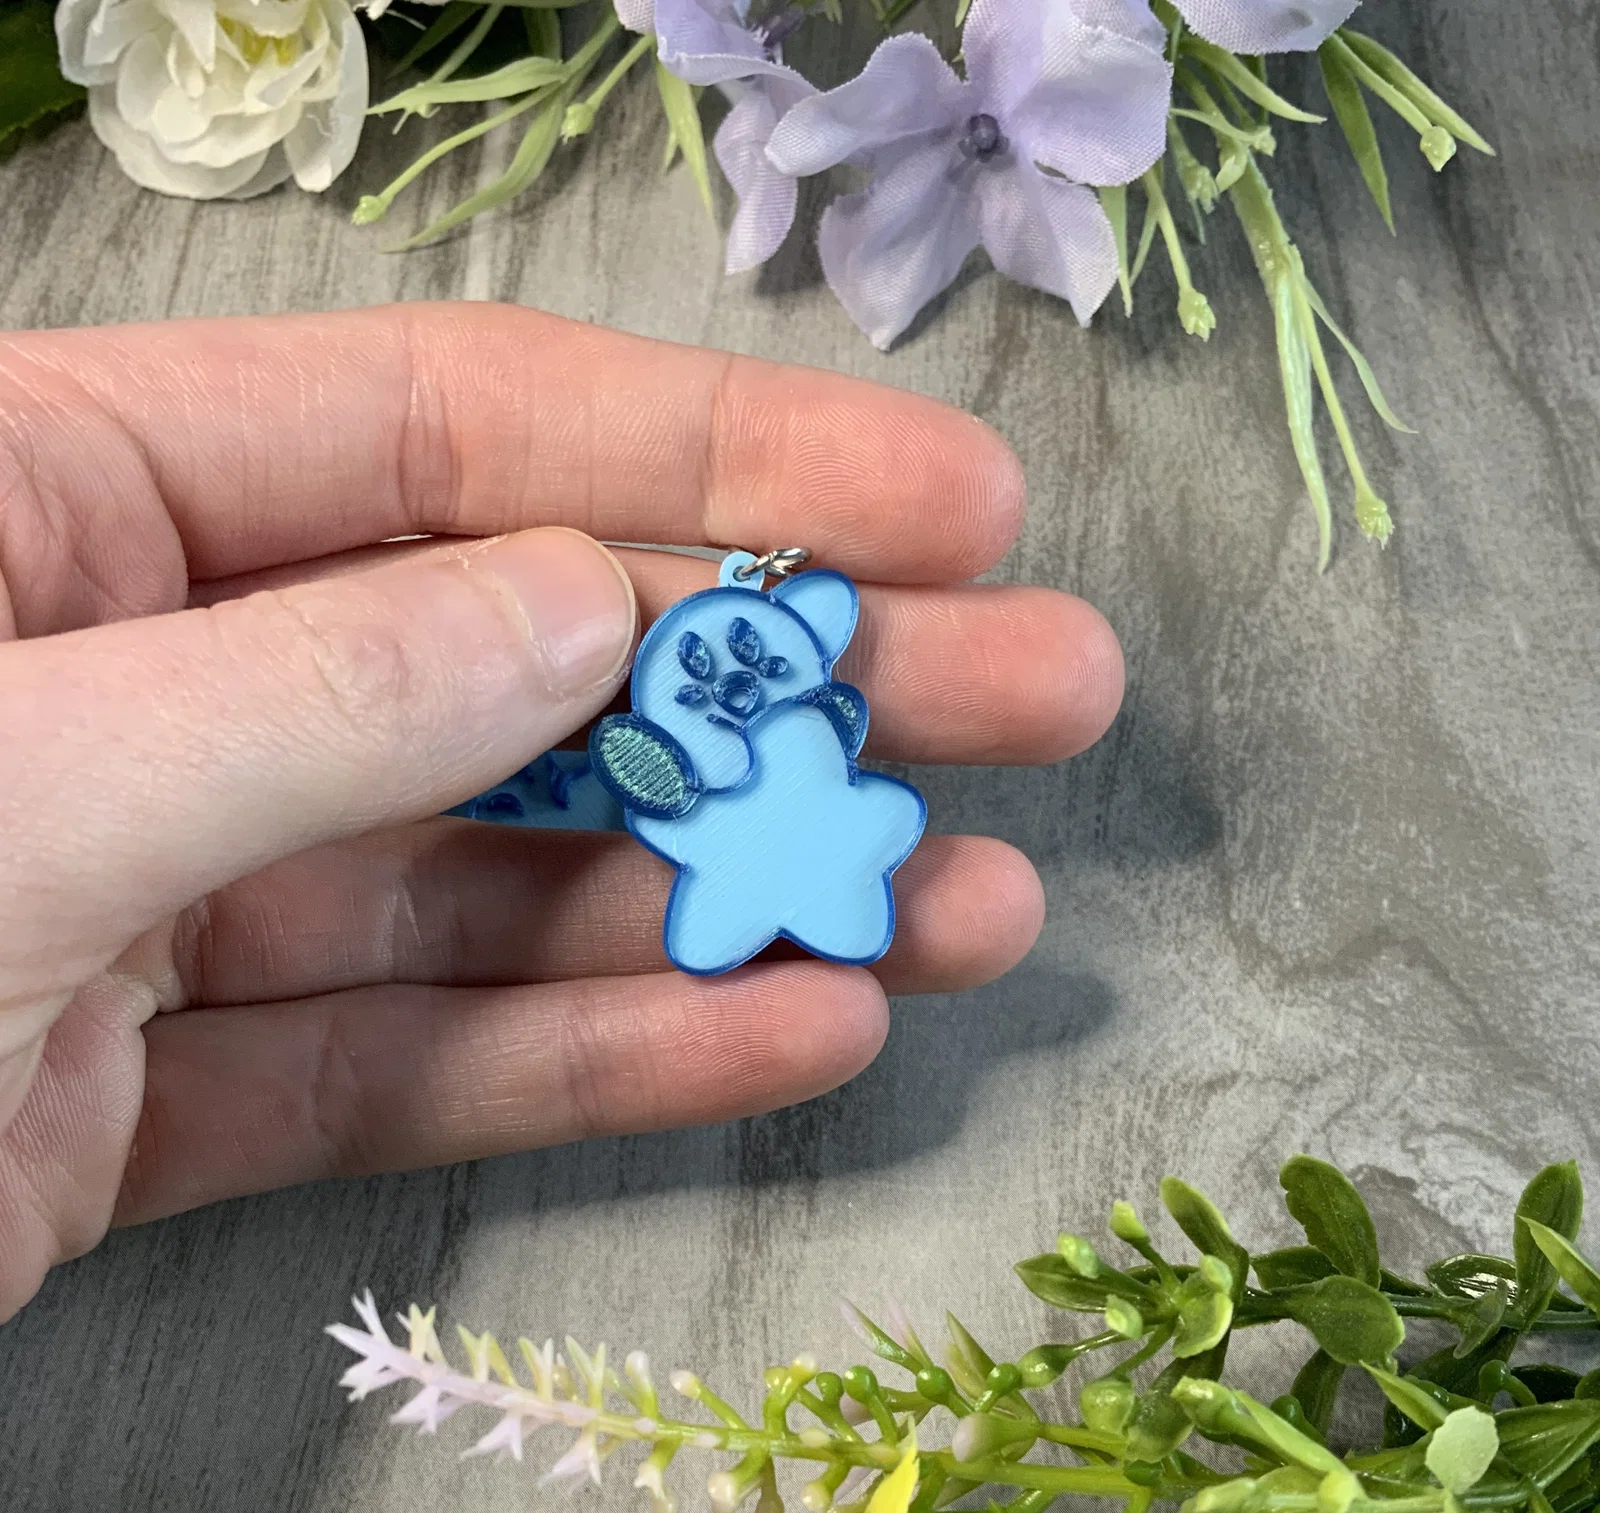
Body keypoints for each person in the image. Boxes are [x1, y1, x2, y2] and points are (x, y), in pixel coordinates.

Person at [0, 303, 1124, 1320]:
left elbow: (810, 734)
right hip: (702, 851)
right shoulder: (664, 741)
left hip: (812, 831)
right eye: (710, 665)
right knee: (713, 871)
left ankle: (813, 854)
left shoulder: (800, 725)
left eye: (754, 662)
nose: (730, 683)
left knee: (829, 849)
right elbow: (665, 787)